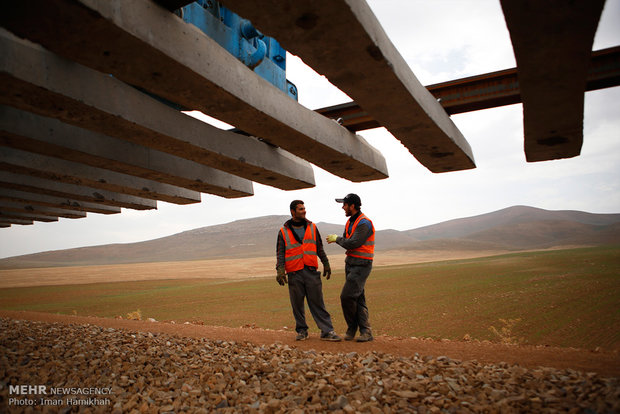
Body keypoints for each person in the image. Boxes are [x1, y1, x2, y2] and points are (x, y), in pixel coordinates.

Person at [276, 200, 342, 342]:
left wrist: (326, 263)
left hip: (311, 271)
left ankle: (327, 331)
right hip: (294, 272)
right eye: (300, 209)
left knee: (318, 302)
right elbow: (280, 252)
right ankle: (302, 331)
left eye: (304, 208)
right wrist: (280, 269)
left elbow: (319, 247)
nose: (304, 211)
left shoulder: (312, 227)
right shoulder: (283, 231)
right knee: (297, 304)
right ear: (293, 212)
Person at [326, 193, 375, 342]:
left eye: (345, 205)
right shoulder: (350, 222)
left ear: (352, 206)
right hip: (351, 262)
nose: (343, 207)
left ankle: (352, 328)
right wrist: (342, 240)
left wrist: (338, 239)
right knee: (358, 298)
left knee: (347, 296)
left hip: (361, 264)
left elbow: (352, 243)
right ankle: (366, 332)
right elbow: (347, 241)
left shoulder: (364, 223)